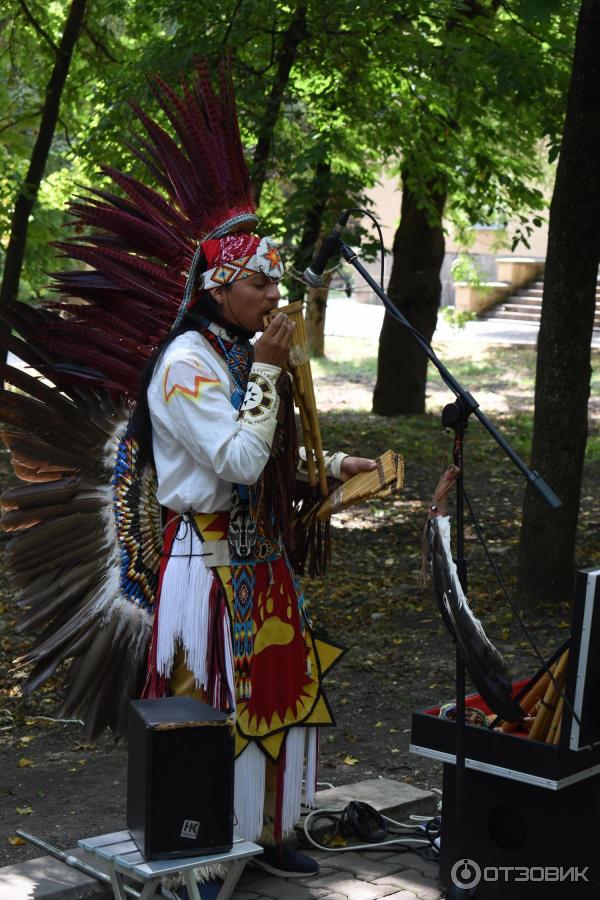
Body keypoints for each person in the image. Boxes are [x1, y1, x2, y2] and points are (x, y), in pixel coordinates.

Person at [128, 233, 375, 898]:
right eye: (260, 284)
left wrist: (327, 469)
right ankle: (198, 854)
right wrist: (268, 373)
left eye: (274, 282)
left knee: (273, 701)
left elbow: (260, 459)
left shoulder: (234, 351)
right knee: (209, 709)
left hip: (261, 560)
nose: (275, 296)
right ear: (219, 289)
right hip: (206, 564)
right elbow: (236, 463)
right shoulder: (187, 363)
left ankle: (264, 835)